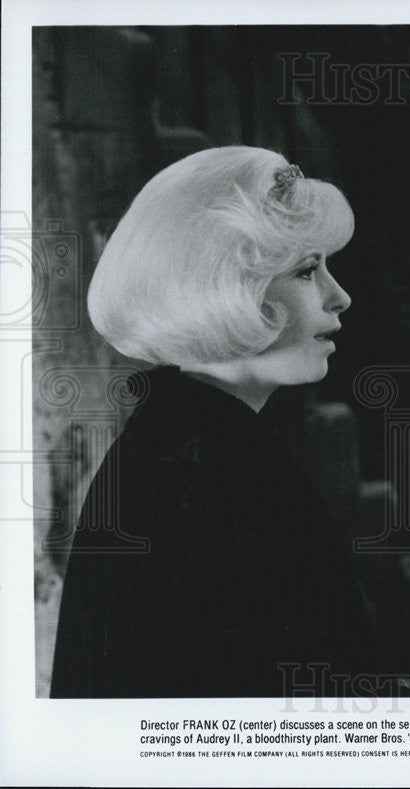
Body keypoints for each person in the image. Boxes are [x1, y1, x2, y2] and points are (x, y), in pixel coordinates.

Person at [50, 146, 373, 697]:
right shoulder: (209, 470)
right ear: (225, 289)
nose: (339, 297)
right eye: (306, 270)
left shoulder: (191, 443)